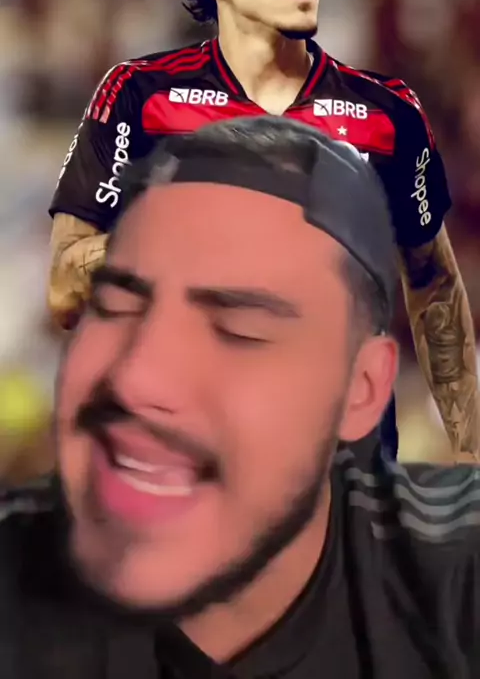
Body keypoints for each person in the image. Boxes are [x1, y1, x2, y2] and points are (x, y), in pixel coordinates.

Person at [47, 0, 479, 462]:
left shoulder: (387, 112)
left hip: (348, 470)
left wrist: (469, 463)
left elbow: (434, 286)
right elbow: (65, 289)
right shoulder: (141, 96)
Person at [5, 117, 480, 678]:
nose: (136, 379)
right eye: (115, 306)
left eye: (239, 330)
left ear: (362, 390)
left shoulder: (451, 585)